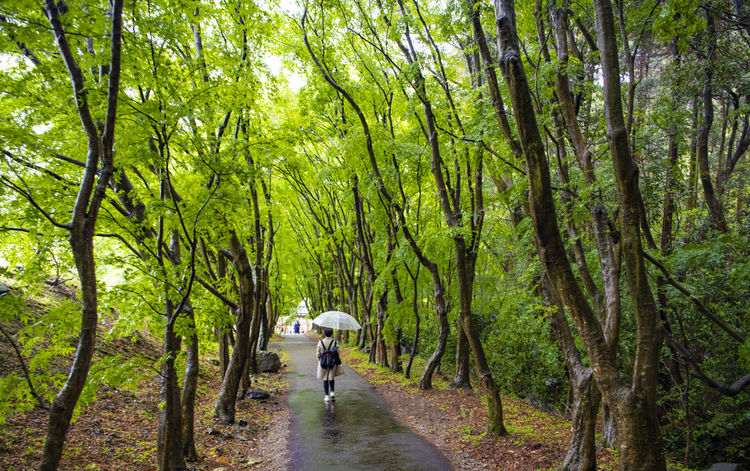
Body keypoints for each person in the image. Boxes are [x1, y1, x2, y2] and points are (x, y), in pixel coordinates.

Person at [316, 328, 343, 402]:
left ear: (324, 334)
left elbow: (318, 354)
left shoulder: (321, 342)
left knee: (325, 379)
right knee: (331, 378)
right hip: (332, 362)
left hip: (323, 362)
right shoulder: (335, 342)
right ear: (331, 334)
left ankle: (326, 396)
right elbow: (338, 352)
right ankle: (332, 393)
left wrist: (320, 360)